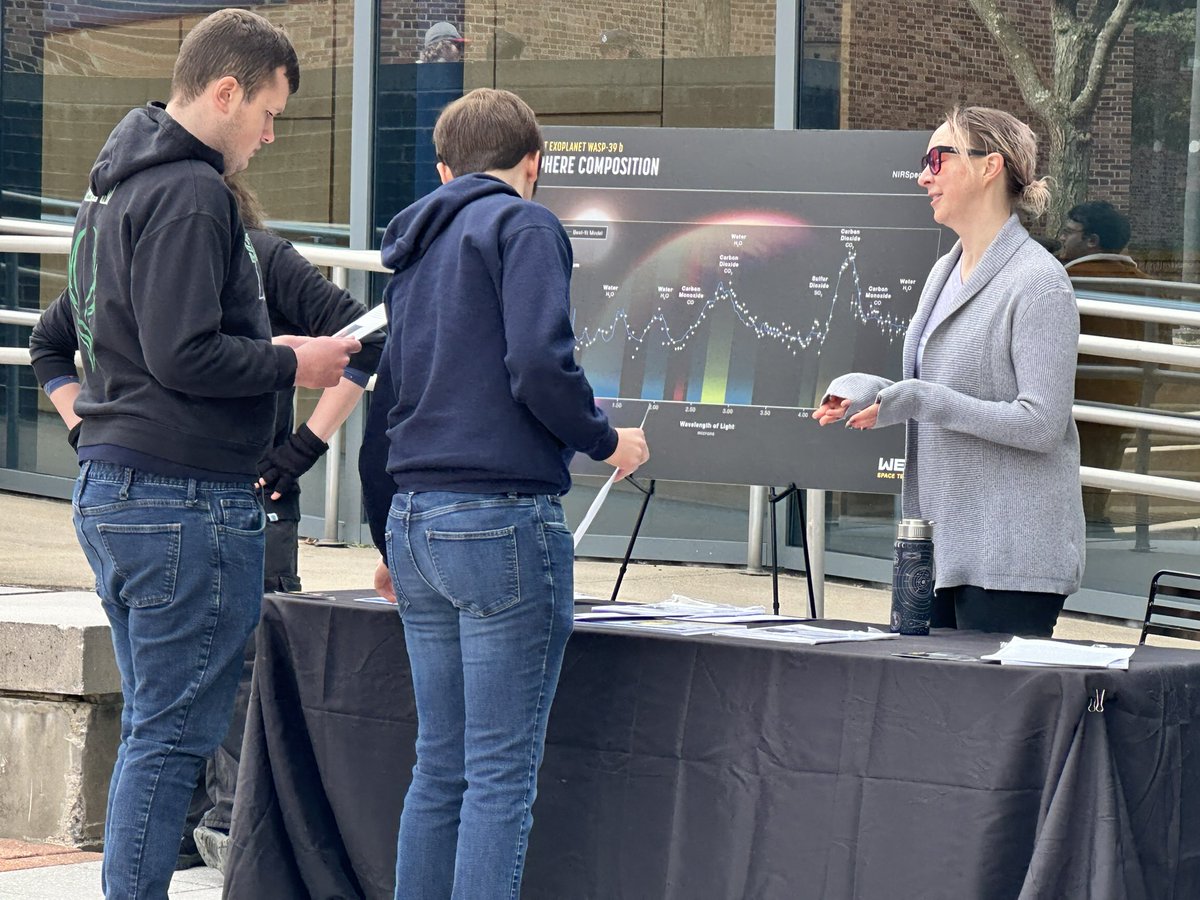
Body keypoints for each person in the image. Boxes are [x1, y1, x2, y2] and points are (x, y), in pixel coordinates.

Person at [26, 10, 359, 898]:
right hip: (181, 503)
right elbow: (185, 354)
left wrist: (90, 427)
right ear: (225, 91)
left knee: (154, 728)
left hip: (123, 494)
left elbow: (79, 343)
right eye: (268, 113)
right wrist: (297, 360)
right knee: (175, 737)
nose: (270, 133)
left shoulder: (114, 191)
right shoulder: (191, 194)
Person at [365, 87, 649, 899]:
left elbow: (390, 402)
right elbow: (537, 365)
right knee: (497, 777)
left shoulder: (415, 248)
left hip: (416, 519)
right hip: (498, 523)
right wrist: (606, 440)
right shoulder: (524, 223)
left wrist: (386, 533)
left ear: (446, 168)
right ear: (533, 163)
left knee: (441, 768)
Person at [814, 106, 1084, 637]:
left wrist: (919, 399)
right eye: (924, 161)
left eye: (938, 158)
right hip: (937, 547)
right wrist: (868, 392)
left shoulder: (1039, 284)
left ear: (990, 167)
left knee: (993, 718)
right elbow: (938, 392)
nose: (923, 175)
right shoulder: (944, 271)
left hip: (1009, 558)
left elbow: (1041, 424)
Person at [180, 175, 385, 872]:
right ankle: (192, 823)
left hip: (252, 496)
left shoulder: (265, 259)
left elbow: (369, 335)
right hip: (190, 490)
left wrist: (305, 444)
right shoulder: (165, 260)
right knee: (190, 661)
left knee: (238, 660)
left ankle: (232, 823)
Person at [1059, 201, 1156, 530]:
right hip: (1124, 403)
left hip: (1074, 404)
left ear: (1092, 241)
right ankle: (1096, 521)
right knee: (1098, 479)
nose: (1063, 240)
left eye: (1069, 232)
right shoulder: (1147, 286)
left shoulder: (1066, 281)